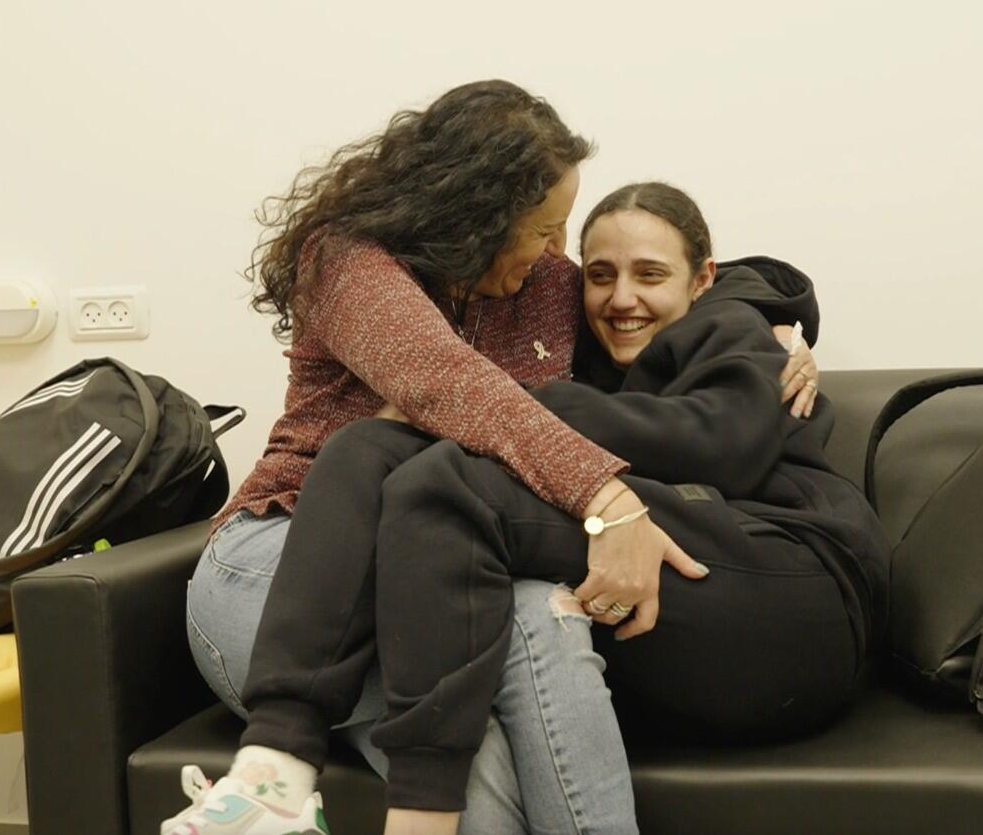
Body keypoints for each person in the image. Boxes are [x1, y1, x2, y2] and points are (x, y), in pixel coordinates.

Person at [169, 84, 818, 835]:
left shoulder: (541, 283)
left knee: (544, 614)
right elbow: (446, 384)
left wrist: (766, 321)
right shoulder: (348, 260)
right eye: (543, 229)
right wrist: (605, 497)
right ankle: (270, 787)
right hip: (288, 559)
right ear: (473, 216)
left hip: (440, 560)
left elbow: (657, 282)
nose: (557, 251)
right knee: (477, 758)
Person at [365, 182, 890, 822]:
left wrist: (510, 402)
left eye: (650, 275)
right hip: (709, 598)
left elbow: (722, 444)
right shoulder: (583, 347)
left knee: (449, 482)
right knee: (418, 476)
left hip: (796, 575)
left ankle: (354, 774)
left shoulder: (731, 324)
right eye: (601, 276)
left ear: (702, 280)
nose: (622, 298)